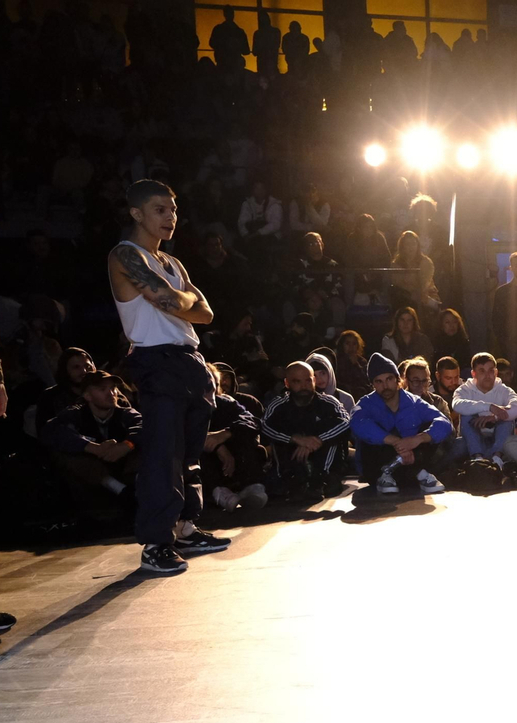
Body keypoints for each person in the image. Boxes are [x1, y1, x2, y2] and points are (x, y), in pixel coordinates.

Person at [108, 179, 230, 576]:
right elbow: (173, 301)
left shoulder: (173, 263)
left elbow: (206, 313)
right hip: (155, 359)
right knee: (163, 454)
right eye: (160, 210)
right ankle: (156, 543)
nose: (170, 217)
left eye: (173, 210)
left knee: (189, 453)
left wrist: (185, 303)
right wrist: (186, 303)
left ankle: (185, 527)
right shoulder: (125, 255)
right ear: (137, 213)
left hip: (189, 360)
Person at [41, 370, 140, 517]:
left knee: (150, 446)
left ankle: (141, 492)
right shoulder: (76, 414)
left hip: (124, 468)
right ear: (87, 396)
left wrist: (126, 445)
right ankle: (120, 490)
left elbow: (143, 425)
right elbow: (51, 431)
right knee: (64, 455)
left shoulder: (124, 413)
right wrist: (92, 447)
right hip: (92, 478)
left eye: (113, 388)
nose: (111, 393)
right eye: (102, 389)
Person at [348, 353, 450, 495]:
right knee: (372, 430)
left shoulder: (414, 402)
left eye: (389, 379)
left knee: (430, 427)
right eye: (379, 381)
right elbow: (356, 423)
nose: (385, 386)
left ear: (398, 379)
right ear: (373, 385)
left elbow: (444, 422)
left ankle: (417, 473)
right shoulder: (366, 403)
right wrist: (396, 442)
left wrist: (417, 439)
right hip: (378, 466)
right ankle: (397, 475)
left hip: (412, 461)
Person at [262, 361, 350, 500]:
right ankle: (289, 480)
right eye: (297, 381)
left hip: (324, 461)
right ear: (287, 383)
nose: (304, 386)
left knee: (330, 427)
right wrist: (296, 439)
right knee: (281, 428)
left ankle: (322, 479)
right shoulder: (278, 405)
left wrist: (318, 440)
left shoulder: (329, 403)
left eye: (308, 380)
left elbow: (346, 423)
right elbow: (265, 426)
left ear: (314, 380)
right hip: (291, 460)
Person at [201, 364, 268, 511]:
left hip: (235, 462)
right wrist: (218, 447)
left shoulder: (225, 402)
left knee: (246, 438)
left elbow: (252, 421)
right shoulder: (183, 409)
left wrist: (224, 434)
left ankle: (251, 486)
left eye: (214, 386)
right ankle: (218, 492)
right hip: (208, 466)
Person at [450, 351, 517, 463]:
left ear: (496, 372)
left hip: (498, 441)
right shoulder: (465, 389)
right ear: (473, 374)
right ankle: (478, 459)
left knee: (507, 418)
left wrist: (495, 417)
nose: (487, 375)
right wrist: (489, 407)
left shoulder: (504, 390)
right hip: (472, 440)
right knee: (466, 417)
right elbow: (457, 404)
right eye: (482, 371)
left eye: (491, 370)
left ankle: (497, 460)